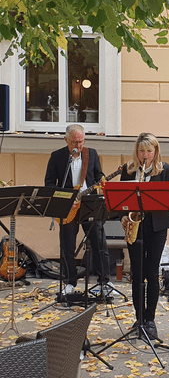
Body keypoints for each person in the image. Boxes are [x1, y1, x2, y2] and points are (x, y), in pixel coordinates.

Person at [44, 124, 111, 296]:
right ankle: (69, 282)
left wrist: (102, 180)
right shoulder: (57, 157)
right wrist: (65, 199)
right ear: (66, 140)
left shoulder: (92, 154)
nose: (78, 146)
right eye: (75, 142)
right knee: (67, 245)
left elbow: (98, 175)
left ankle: (104, 281)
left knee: (99, 242)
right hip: (68, 206)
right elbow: (49, 184)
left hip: (89, 203)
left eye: (81, 141)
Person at [120, 132, 169, 339]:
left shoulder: (166, 169)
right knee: (137, 273)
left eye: (149, 151)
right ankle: (139, 318)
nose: (145, 155)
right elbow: (121, 200)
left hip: (156, 227)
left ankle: (150, 320)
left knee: (152, 273)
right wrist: (123, 217)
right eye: (141, 151)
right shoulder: (128, 170)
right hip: (135, 226)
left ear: (155, 151)